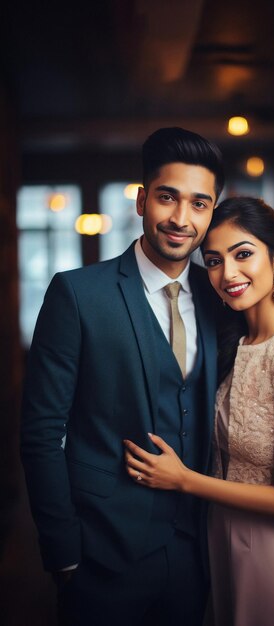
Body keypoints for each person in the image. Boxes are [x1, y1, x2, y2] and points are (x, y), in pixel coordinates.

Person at [20, 127, 224, 626]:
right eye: (167, 197)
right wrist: (63, 551)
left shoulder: (222, 297)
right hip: (100, 554)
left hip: (197, 550)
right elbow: (42, 431)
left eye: (199, 204)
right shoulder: (77, 293)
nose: (181, 219)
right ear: (141, 200)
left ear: (213, 211)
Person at [125, 196, 274, 626]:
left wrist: (184, 480)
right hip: (220, 542)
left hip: (271, 552)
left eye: (244, 254)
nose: (228, 274)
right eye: (215, 260)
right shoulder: (236, 344)